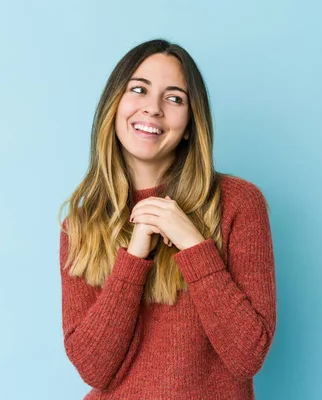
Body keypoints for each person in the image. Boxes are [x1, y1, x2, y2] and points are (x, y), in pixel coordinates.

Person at [58, 38, 276, 400]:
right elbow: (93, 367)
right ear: (114, 106)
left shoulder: (239, 203)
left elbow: (247, 355)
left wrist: (194, 245)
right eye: (138, 90)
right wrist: (133, 259)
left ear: (191, 124)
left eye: (174, 98)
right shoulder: (83, 223)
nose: (153, 109)